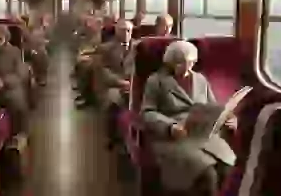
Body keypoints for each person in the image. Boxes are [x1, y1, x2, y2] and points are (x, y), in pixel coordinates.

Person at [140, 41, 237, 196]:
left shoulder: (200, 79)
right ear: (170, 62)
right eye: (181, 63)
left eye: (191, 62)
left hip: (201, 134)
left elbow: (212, 106)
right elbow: (147, 112)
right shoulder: (156, 81)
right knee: (207, 174)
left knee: (227, 167)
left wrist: (228, 117)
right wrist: (170, 126)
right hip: (173, 136)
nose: (187, 67)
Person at [95, 19, 136, 150]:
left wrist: (133, 83)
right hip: (114, 85)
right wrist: (120, 83)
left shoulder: (139, 47)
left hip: (134, 83)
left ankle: (134, 136)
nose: (126, 33)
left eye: (129, 30)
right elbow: (103, 71)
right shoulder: (105, 48)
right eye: (123, 30)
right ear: (116, 31)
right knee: (113, 101)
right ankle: (112, 136)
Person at [0, 25, 29, 135]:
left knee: (16, 102)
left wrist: (4, 81)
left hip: (9, 87)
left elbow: (20, 74)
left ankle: (19, 133)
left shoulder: (14, 52)